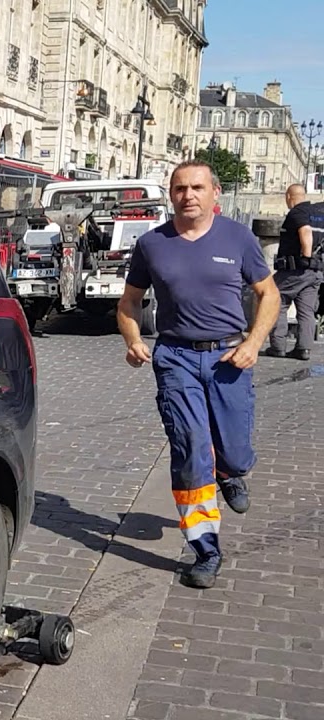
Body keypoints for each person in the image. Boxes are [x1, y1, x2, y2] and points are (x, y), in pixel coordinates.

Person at [117, 160, 280, 590]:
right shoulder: (153, 245)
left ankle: (230, 471)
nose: (188, 195)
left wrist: (253, 343)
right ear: (170, 194)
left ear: (214, 193)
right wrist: (133, 339)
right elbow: (129, 302)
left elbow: (269, 294)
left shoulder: (238, 238)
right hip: (176, 358)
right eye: (179, 188)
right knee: (191, 452)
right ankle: (206, 549)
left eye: (196, 188)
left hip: (229, 358)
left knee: (235, 452)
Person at [265, 183, 323, 360]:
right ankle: (303, 349)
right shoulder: (318, 214)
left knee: (275, 300)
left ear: (289, 196)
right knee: (306, 310)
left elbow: (305, 232)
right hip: (316, 272)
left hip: (295, 270)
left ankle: (278, 346)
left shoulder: (297, 212)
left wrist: (305, 257)